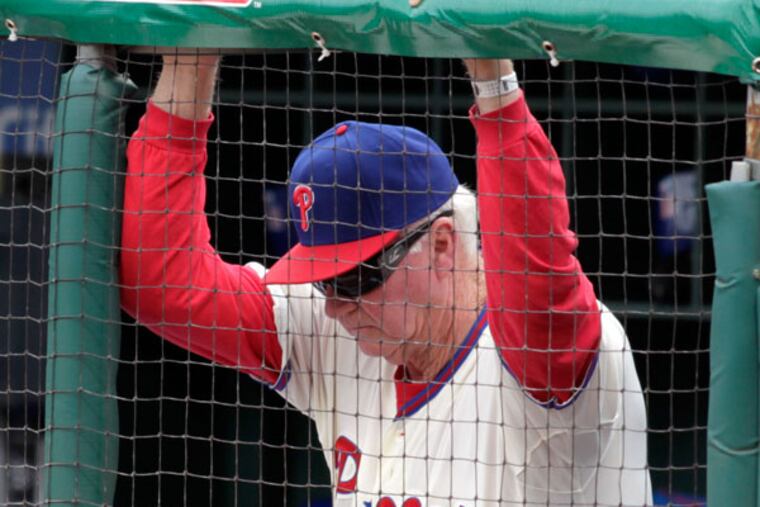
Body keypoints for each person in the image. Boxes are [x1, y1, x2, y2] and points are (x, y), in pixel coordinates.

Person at [120, 52, 652, 506]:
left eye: (355, 276)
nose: (333, 305)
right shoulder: (347, 325)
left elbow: (539, 275)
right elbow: (164, 285)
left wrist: (493, 82)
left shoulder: (548, 358)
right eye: (323, 279)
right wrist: (190, 62)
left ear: (442, 244)